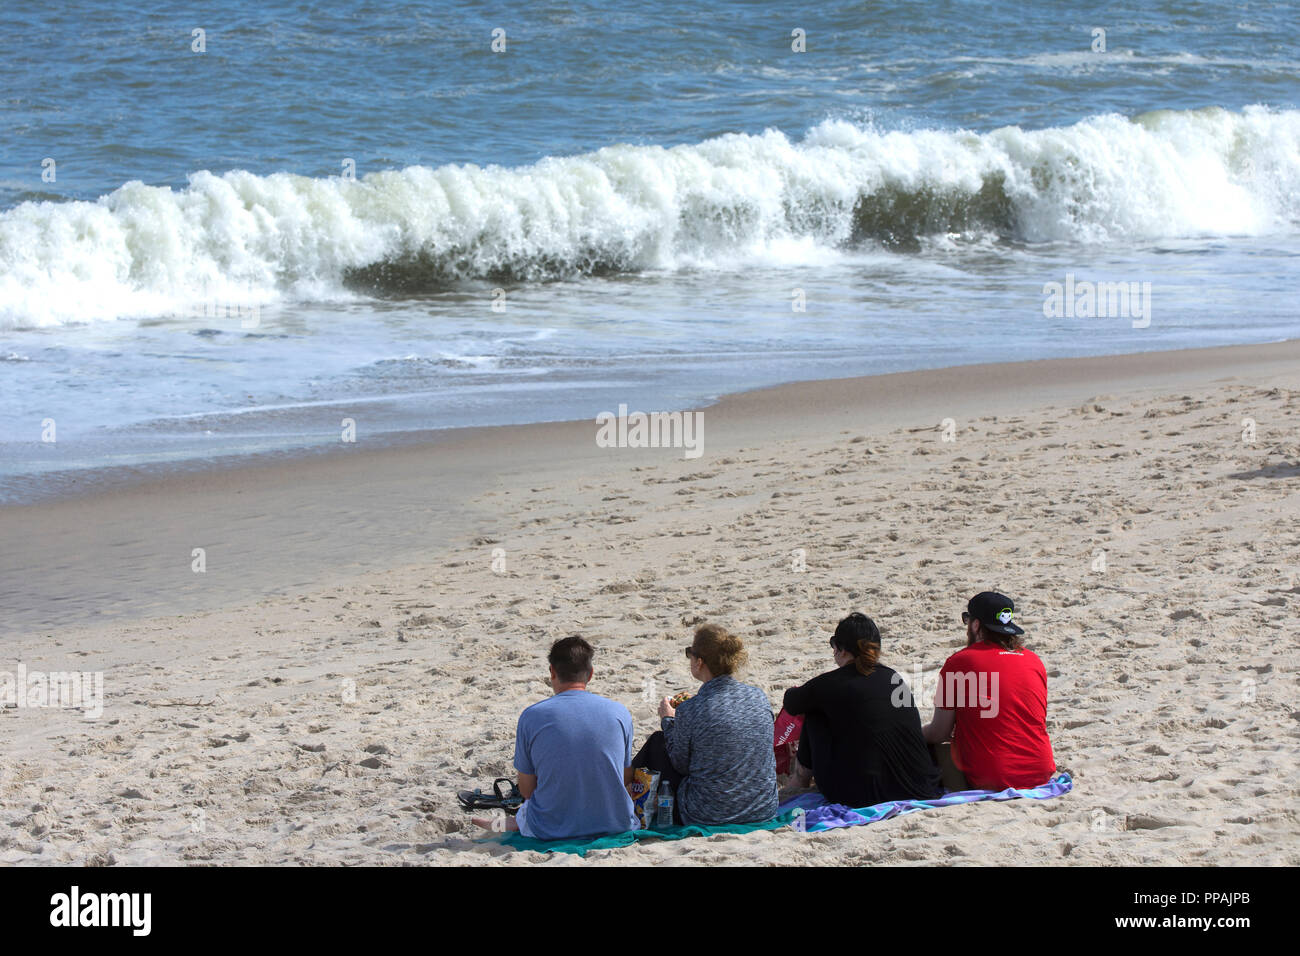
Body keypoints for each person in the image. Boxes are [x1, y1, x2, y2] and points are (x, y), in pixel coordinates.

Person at [474, 636, 638, 839]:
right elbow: (624, 777)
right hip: (616, 822)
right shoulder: (619, 712)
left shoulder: (532, 716)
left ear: (552, 672)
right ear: (591, 674)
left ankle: (514, 823)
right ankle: (517, 822)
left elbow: (526, 790)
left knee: (530, 809)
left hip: (550, 826)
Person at [782, 612, 940, 806]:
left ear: (842, 650)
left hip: (864, 794)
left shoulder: (830, 684)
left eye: (833, 644)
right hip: (919, 786)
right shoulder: (894, 678)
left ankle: (799, 780)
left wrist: (802, 691)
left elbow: (791, 702)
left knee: (815, 711)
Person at [632, 624, 778, 826]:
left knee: (659, 741)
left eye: (689, 654)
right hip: (763, 808)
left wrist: (668, 720)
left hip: (707, 813)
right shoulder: (758, 697)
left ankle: (626, 797)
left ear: (699, 662)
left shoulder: (691, 709)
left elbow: (679, 763)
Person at [922, 591, 1056, 791]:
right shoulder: (1033, 660)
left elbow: (938, 732)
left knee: (931, 748)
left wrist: (909, 733)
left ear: (976, 625)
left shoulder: (959, 662)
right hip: (1040, 772)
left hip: (993, 776)